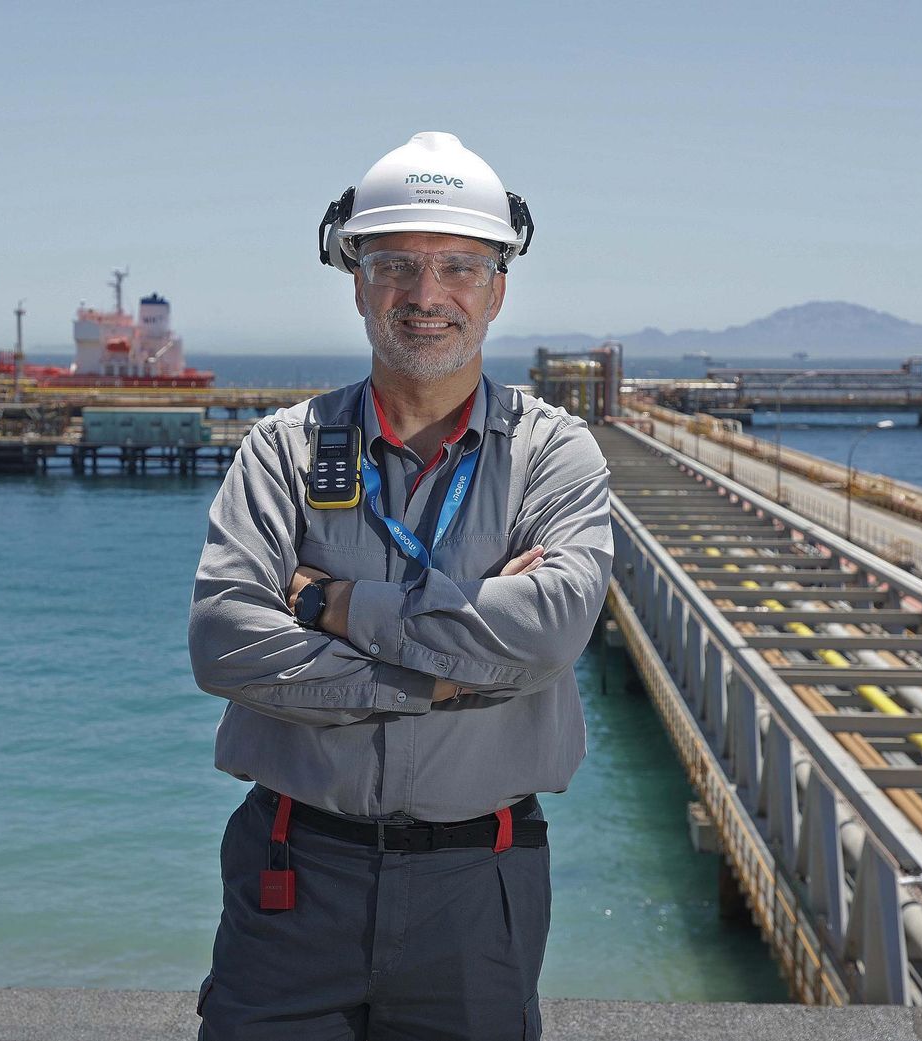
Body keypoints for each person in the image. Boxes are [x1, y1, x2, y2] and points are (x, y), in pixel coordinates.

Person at [188, 131, 613, 1041]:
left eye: (459, 267)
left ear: (499, 285)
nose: (426, 296)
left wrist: (333, 603)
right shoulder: (283, 450)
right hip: (292, 877)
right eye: (396, 267)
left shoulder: (552, 455)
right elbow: (225, 640)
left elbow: (547, 632)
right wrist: (448, 675)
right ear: (355, 279)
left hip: (479, 882)